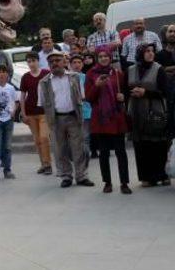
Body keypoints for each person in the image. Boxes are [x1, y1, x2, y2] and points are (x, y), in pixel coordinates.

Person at [38, 50, 94, 188]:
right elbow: (42, 104)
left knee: (78, 147)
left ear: (64, 62)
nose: (54, 64)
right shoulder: (44, 82)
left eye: (57, 60)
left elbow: (82, 96)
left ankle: (81, 176)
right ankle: (66, 176)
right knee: (59, 149)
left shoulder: (74, 77)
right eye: (51, 62)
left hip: (74, 116)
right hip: (56, 119)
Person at [85, 47, 131, 194]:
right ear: (97, 58)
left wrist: (123, 96)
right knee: (103, 152)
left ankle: (124, 183)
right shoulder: (91, 74)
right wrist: (97, 86)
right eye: (100, 56)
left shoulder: (117, 73)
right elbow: (89, 97)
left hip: (116, 117)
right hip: (101, 118)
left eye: (106, 56)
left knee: (120, 152)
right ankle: (107, 183)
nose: (104, 58)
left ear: (110, 58)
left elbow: (125, 92)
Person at [126, 44, 171, 187]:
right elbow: (124, 89)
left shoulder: (159, 69)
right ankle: (146, 177)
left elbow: (166, 92)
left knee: (158, 144)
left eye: (152, 51)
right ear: (140, 53)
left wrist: (146, 93)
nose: (151, 54)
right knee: (141, 145)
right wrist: (129, 94)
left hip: (155, 111)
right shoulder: (130, 69)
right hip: (136, 112)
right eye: (147, 51)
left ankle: (162, 175)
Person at [19, 52, 52, 175]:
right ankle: (43, 164)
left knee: (44, 137)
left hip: (44, 112)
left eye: (33, 60)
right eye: (29, 61)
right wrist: (23, 113)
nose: (32, 63)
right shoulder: (25, 77)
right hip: (30, 112)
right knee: (37, 140)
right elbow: (22, 96)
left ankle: (48, 163)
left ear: (38, 61)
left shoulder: (46, 74)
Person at [69, 55, 96, 159]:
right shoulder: (68, 77)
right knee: (74, 134)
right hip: (72, 110)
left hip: (86, 109)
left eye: (79, 62)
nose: (77, 65)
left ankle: (85, 154)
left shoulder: (87, 77)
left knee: (85, 134)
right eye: (74, 63)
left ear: (82, 64)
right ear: (70, 65)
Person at [155, 24, 175, 138]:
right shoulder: (160, 55)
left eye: (174, 31)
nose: (173, 34)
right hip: (168, 94)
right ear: (165, 34)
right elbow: (159, 70)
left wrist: (167, 69)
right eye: (170, 31)